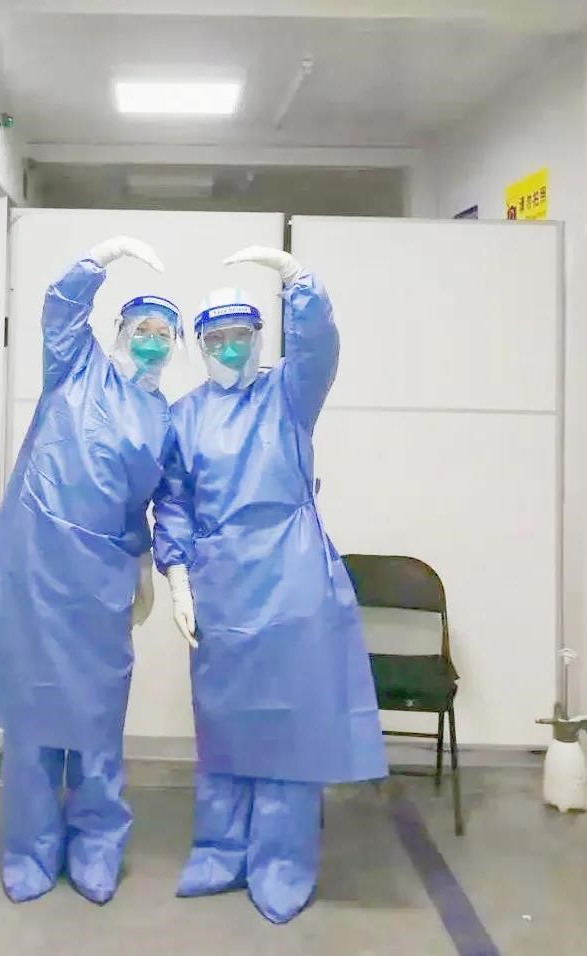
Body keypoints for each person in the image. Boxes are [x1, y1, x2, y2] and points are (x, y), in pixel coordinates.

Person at [153, 246, 387, 924]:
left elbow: (320, 349)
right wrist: (177, 578)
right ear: (200, 346)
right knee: (225, 721)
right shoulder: (184, 416)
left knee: (288, 722)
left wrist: (298, 281)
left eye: (240, 336)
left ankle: (282, 863)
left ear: (259, 338)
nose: (229, 349)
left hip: (290, 574)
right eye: (216, 340)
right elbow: (174, 500)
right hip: (219, 581)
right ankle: (219, 852)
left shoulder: (287, 394)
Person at [0, 236, 180, 905]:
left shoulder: (163, 418)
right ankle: (30, 852)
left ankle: (97, 850)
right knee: (33, 722)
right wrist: (100, 259)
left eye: (164, 334)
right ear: (119, 331)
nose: (151, 342)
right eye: (142, 329)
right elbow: (60, 308)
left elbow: (159, 500)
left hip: (103, 580)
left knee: (97, 724)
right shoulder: (76, 367)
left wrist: (148, 564)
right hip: (39, 572)